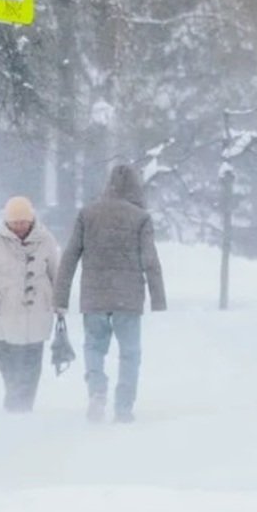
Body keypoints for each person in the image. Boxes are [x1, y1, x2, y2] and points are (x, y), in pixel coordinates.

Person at [54, 164, 166, 423]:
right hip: (128, 299)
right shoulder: (140, 218)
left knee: (94, 347)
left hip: (94, 297)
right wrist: (158, 298)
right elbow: (150, 259)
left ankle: (96, 391)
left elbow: (70, 256)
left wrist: (60, 298)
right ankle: (124, 406)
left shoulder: (87, 214)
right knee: (130, 352)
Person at [0, 196, 60, 412]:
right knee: (7, 359)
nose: (19, 226)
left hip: (37, 310)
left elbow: (56, 273)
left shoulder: (46, 239)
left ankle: (25, 403)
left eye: (23, 221)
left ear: (31, 220)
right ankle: (13, 398)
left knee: (32, 360)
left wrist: (57, 302)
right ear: (7, 222)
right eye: (15, 222)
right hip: (7, 310)